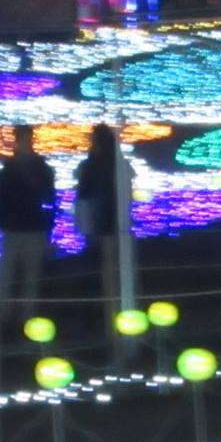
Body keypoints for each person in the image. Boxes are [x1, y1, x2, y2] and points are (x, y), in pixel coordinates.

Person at [0, 124, 55, 324]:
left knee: (14, 276)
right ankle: (20, 318)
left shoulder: (9, 169)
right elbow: (49, 200)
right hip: (28, 228)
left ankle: (9, 317)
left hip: (19, 227)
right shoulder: (41, 168)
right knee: (26, 277)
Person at [73, 123, 134, 338]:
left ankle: (106, 321)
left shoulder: (90, 167)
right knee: (116, 272)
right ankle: (116, 319)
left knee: (103, 273)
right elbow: (127, 194)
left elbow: (83, 198)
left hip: (100, 224)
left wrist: (83, 227)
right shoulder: (119, 164)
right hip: (117, 223)